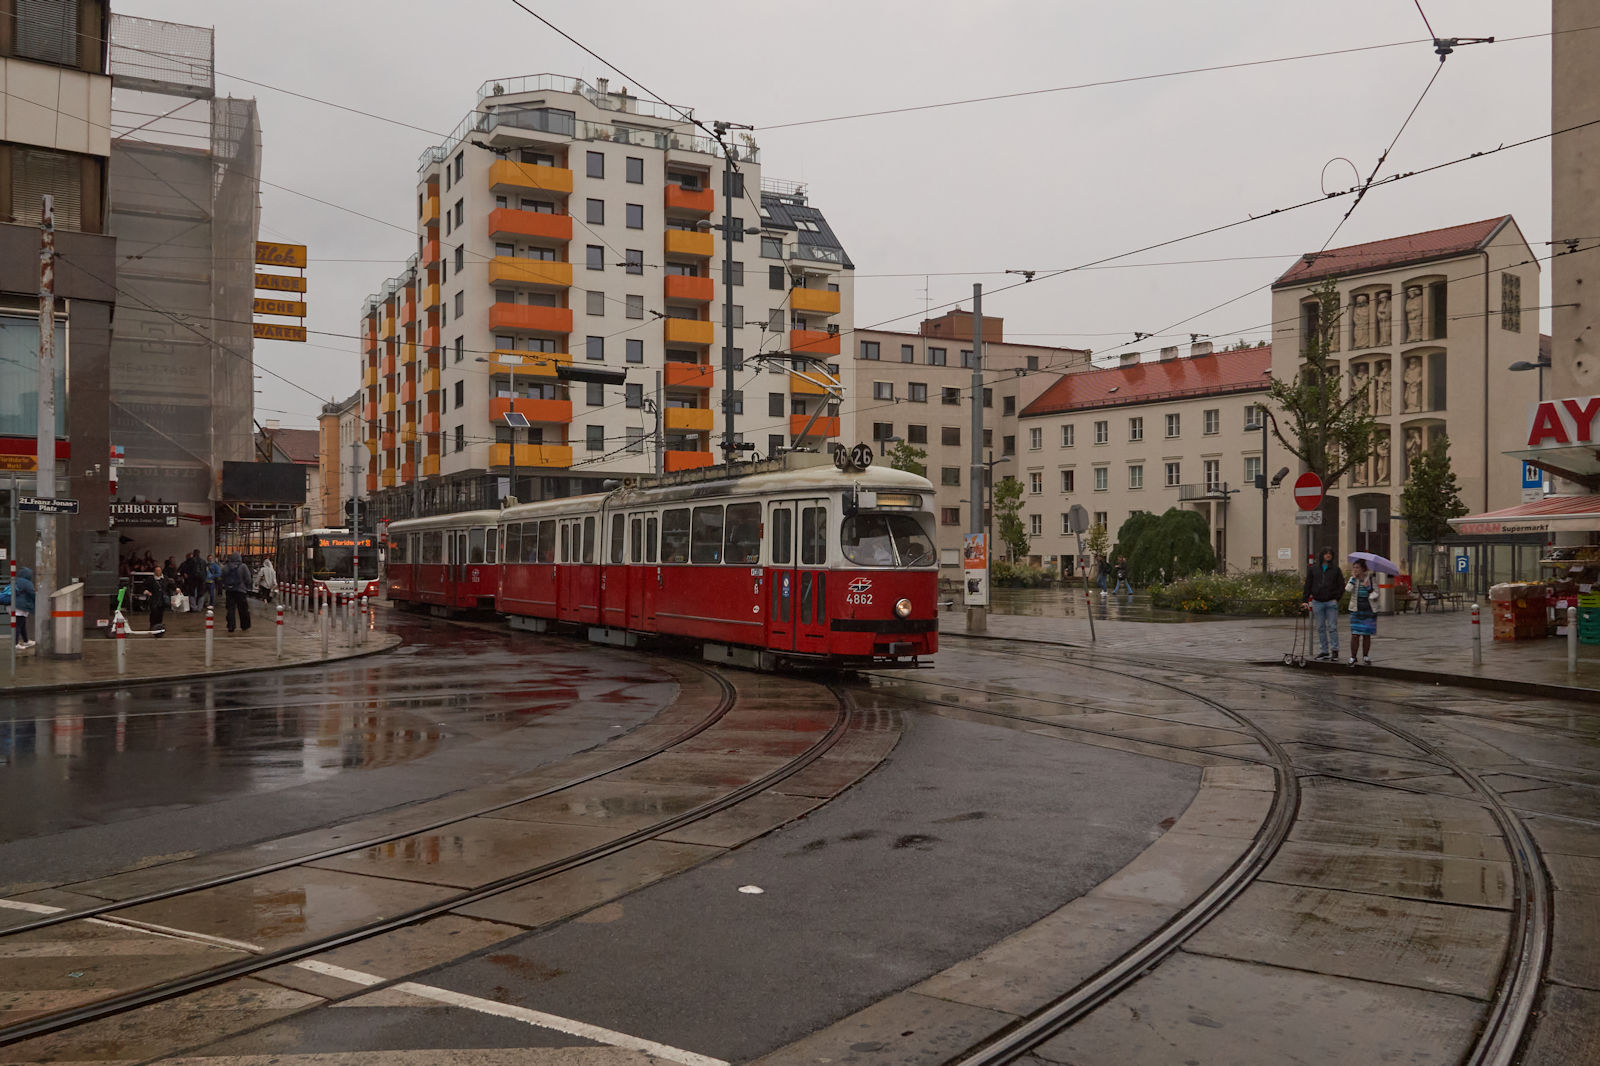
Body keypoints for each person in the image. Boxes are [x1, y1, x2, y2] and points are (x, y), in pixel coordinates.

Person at [1302, 546, 1344, 661]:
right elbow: (1308, 585)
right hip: (1318, 602)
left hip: (1331, 601)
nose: (1328, 555)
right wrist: (1305, 600)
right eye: (1326, 553)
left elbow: (1341, 585)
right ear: (1322, 555)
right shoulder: (1314, 569)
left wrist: (1337, 598)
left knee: (1332, 627)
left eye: (1330, 553)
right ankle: (1324, 651)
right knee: (1320, 627)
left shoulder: (1336, 569)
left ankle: (1334, 650)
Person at [1347, 559, 1377, 666]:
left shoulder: (1371, 579)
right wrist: (1353, 579)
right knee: (1355, 634)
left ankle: (1366, 655)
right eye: (1354, 567)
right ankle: (1353, 657)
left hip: (1368, 610)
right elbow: (1348, 589)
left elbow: (1376, 594)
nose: (1355, 569)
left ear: (1363, 569)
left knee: (1366, 635)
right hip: (1356, 610)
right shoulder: (1353, 579)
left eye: (1357, 567)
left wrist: (1368, 587)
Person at [221, 551, 252, 632]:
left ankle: (231, 626)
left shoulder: (225, 567)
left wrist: (227, 585)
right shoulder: (243, 566)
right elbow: (248, 579)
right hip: (241, 591)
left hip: (230, 591)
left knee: (230, 609)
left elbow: (222, 578)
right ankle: (244, 625)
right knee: (243, 609)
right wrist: (246, 585)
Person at [12, 565, 34, 649]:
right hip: (20, 606)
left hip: (14, 605)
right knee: (18, 624)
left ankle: (26, 641)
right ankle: (15, 643)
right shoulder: (26, 582)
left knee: (22, 624)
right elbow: (31, 593)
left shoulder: (16, 580)